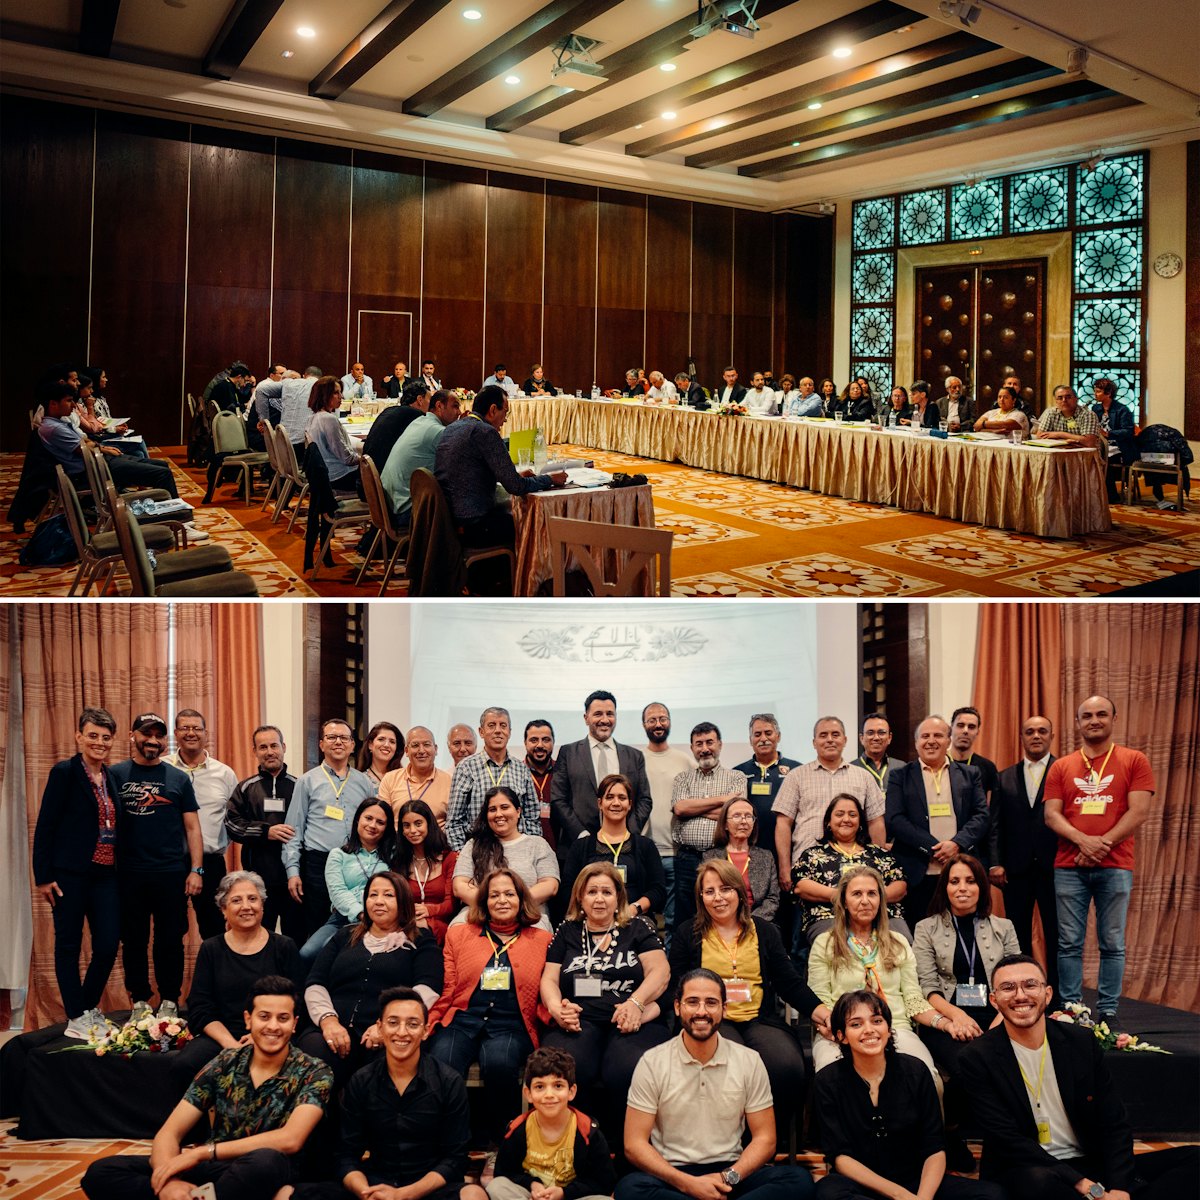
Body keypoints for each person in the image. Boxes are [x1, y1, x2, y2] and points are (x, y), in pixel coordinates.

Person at [958, 955, 1198, 1199]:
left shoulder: (1080, 1042)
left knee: (1194, 1159)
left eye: (1030, 985)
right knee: (1039, 1182)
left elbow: (1113, 1121)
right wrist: (1087, 1187)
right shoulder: (978, 1057)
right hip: (1028, 1167)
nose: (1020, 995)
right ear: (994, 1000)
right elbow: (1008, 1139)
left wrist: (1119, 1189)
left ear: (1048, 994)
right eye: (1008, 988)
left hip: (1089, 1162)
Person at [81, 975, 331, 1200]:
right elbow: (170, 1133)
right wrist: (170, 1182)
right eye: (264, 1016)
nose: (273, 1026)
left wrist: (201, 1153)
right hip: (219, 1170)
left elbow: (291, 1140)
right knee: (102, 1171)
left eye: (283, 1018)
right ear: (248, 1019)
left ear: (295, 1024)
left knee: (265, 1161)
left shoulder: (314, 1070)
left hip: (271, 1170)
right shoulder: (225, 1062)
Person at [617, 968, 815, 1200]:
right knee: (629, 1189)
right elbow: (634, 1144)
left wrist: (725, 1178)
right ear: (678, 1007)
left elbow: (766, 1139)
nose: (702, 1011)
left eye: (711, 1002)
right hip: (673, 1176)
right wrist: (688, 1184)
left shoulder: (748, 1060)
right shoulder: (652, 1062)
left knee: (798, 1180)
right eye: (692, 1002)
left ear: (724, 1008)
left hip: (731, 1174)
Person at [670, 861, 829, 1138]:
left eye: (725, 889)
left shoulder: (765, 931)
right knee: (729, 1064)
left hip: (759, 1018)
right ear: (700, 898)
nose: (718, 898)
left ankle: (769, 1141)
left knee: (786, 1065)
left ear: (740, 893)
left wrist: (822, 1012)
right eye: (709, 892)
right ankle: (728, 1142)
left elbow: (788, 982)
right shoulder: (688, 933)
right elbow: (677, 986)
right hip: (710, 1022)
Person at [814, 990, 1004, 1200]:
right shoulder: (827, 1080)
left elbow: (935, 1147)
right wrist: (900, 1195)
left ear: (888, 1028)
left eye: (877, 1021)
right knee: (828, 1193)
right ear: (841, 1036)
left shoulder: (915, 1070)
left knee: (991, 1195)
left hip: (917, 1182)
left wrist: (923, 1197)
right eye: (856, 1024)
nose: (869, 1030)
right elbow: (840, 1157)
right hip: (861, 1185)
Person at [315, 987, 486, 1200]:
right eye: (393, 1023)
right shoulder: (362, 1080)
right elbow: (346, 1155)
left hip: (427, 1189)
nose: (402, 1032)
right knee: (290, 1193)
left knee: (474, 1194)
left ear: (425, 1031)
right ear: (380, 1027)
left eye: (413, 1024)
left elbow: (455, 1159)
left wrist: (402, 1195)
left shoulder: (448, 1081)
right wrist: (365, 1192)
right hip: (375, 1187)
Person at [1043, 694, 1153, 1023]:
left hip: (1116, 865)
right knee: (1069, 943)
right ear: (1077, 723)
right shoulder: (1061, 766)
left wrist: (1101, 844)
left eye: (1101, 714)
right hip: (1068, 866)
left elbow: (1140, 811)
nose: (1094, 720)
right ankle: (1072, 1009)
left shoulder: (1134, 760)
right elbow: (1051, 815)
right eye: (1087, 715)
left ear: (1113, 719)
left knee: (1113, 942)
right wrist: (1083, 842)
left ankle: (1108, 1010)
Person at [541, 863, 672, 1136]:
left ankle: (628, 1147)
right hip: (579, 1020)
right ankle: (579, 1144)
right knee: (565, 1066)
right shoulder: (568, 930)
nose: (599, 899)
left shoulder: (637, 927)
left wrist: (636, 1004)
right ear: (580, 897)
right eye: (591, 892)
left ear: (618, 898)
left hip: (633, 1020)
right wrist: (555, 1008)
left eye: (606, 892)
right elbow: (549, 979)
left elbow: (660, 971)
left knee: (626, 1069)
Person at [430, 869, 553, 1143]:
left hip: (512, 1023)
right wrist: (434, 1020)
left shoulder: (542, 940)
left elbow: (548, 990)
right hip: (463, 1019)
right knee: (442, 1060)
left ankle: (502, 1141)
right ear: (484, 901)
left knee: (499, 1062)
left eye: (509, 894)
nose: (502, 900)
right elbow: (449, 987)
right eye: (494, 895)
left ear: (522, 900)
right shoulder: (459, 935)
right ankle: (450, 1142)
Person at [300, 871, 443, 1087]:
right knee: (316, 1056)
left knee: (382, 1071)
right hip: (334, 1027)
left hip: (389, 1032)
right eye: (372, 895)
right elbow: (315, 981)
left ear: (403, 901)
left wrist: (388, 1025)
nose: (378, 902)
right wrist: (328, 1020)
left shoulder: (420, 940)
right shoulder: (344, 936)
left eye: (388, 895)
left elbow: (428, 987)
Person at [32, 706, 121, 1041]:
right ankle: (76, 1015)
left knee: (109, 943)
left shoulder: (111, 777)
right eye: (93, 735)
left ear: (112, 741)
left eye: (105, 737)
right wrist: (43, 875)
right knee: (68, 945)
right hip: (69, 874)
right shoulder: (65, 772)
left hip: (105, 875)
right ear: (79, 736)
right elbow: (46, 825)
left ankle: (83, 1009)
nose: (99, 742)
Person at [807, 866, 941, 1083]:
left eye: (872, 893)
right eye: (857, 894)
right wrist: (841, 1030)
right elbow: (819, 999)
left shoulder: (899, 942)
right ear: (843, 901)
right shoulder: (826, 943)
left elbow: (914, 1000)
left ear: (881, 900)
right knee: (834, 1082)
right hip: (841, 1032)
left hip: (895, 1028)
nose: (865, 900)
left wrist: (945, 1022)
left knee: (930, 1082)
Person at [110, 712, 203, 1021]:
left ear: (166, 740)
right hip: (127, 874)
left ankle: (169, 1000)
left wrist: (196, 869)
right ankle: (138, 1000)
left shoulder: (178, 778)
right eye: (145, 733)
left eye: (159, 735)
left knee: (170, 940)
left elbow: (192, 828)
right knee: (133, 939)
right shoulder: (115, 775)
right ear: (132, 735)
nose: (152, 740)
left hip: (171, 874)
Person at [173, 871, 303, 1083]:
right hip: (222, 1033)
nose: (246, 906)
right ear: (224, 910)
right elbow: (200, 1006)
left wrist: (261, 1035)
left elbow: (298, 1001)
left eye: (253, 899)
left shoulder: (284, 946)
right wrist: (230, 1044)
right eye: (236, 900)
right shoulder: (211, 948)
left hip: (274, 1032)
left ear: (262, 905)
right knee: (184, 1065)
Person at [885, 716, 989, 928]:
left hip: (960, 870)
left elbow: (981, 815)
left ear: (948, 741)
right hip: (917, 871)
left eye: (938, 735)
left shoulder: (969, 774)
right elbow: (895, 819)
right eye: (925, 736)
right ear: (916, 743)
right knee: (920, 932)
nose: (931, 741)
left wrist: (956, 844)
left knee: (964, 931)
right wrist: (932, 847)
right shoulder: (900, 776)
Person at [434, 386, 565, 548]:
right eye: (505, 412)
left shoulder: (453, 427)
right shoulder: (485, 432)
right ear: (493, 410)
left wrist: (513, 475)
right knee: (529, 522)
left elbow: (471, 469)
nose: (505, 420)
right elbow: (515, 486)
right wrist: (550, 479)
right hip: (473, 524)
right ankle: (534, 572)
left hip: (448, 519)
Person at [773, 717, 886, 901]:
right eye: (823, 735)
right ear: (814, 742)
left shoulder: (863, 777)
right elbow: (783, 823)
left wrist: (879, 865)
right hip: (807, 870)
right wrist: (785, 867)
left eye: (835, 734)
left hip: (856, 868)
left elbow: (876, 822)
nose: (830, 739)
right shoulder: (796, 777)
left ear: (845, 740)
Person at [282, 718, 375, 940]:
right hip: (317, 863)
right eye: (332, 737)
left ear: (353, 745)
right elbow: (293, 830)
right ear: (322, 744)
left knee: (355, 924)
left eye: (344, 738)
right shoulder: (306, 781)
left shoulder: (364, 783)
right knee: (318, 926)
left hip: (354, 861)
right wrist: (292, 871)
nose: (338, 742)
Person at [988, 715, 1059, 993]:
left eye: (1042, 731)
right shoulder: (1004, 777)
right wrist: (995, 863)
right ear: (1022, 737)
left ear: (1051, 736)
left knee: (1056, 933)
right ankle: (1024, 988)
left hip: (1055, 867)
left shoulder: (1063, 771)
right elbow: (995, 824)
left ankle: (1056, 993)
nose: (1036, 736)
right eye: (1030, 732)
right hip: (1014, 869)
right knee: (1016, 934)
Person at [489, 1046, 616, 1200]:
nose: (549, 1095)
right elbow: (504, 1173)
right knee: (497, 1186)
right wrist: (532, 1184)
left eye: (558, 1086)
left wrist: (564, 1193)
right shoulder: (518, 1128)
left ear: (571, 1092)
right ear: (528, 1094)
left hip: (570, 1197)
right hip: (531, 1196)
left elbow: (604, 1182)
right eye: (540, 1087)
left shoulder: (587, 1131)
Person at [793, 795, 907, 946]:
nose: (846, 819)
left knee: (902, 943)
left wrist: (869, 900)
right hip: (829, 916)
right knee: (834, 947)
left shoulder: (879, 854)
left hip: (882, 916)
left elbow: (900, 887)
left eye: (852, 815)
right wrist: (845, 897)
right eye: (839, 814)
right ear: (828, 822)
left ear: (860, 822)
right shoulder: (812, 855)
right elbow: (802, 887)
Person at [164, 708, 238, 940]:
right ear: (176, 733)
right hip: (170, 862)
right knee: (171, 930)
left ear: (206, 733)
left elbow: (235, 818)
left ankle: (215, 977)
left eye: (196, 728)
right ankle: (171, 979)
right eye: (185, 728)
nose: (191, 733)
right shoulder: (163, 769)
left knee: (214, 928)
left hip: (210, 863)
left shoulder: (224, 773)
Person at [225, 724, 303, 940]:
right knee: (259, 937)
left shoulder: (301, 785)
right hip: (257, 880)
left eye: (274, 745)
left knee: (295, 939)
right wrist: (265, 831)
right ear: (255, 752)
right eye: (263, 747)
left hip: (294, 880)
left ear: (283, 747)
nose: (269, 752)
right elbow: (231, 824)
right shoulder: (245, 788)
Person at [550, 689, 653, 850]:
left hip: (625, 845)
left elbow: (644, 800)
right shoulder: (568, 753)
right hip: (579, 845)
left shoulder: (634, 756)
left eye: (610, 714)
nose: (605, 720)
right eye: (598, 714)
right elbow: (558, 799)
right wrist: (580, 833)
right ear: (586, 718)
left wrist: (629, 831)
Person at [300, 796, 397, 962]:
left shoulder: (393, 856)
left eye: (380, 822)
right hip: (342, 918)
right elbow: (337, 891)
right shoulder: (338, 855)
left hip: (382, 919)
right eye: (368, 818)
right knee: (308, 953)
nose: (373, 825)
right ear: (358, 819)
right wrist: (360, 913)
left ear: (386, 828)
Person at [670, 722, 748, 929]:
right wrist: (723, 800)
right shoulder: (682, 778)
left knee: (720, 911)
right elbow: (680, 809)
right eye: (699, 744)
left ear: (720, 744)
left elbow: (736, 814)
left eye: (709, 742)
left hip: (721, 856)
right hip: (687, 858)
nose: (705, 748)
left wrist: (694, 808)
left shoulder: (736, 777)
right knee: (685, 917)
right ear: (692, 748)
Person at [564, 774, 667, 920]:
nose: (616, 803)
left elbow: (658, 891)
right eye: (610, 797)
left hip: (635, 919)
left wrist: (633, 909)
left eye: (622, 798)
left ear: (630, 804)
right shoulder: (580, 847)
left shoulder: (646, 846)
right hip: (590, 920)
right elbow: (568, 890)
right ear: (600, 803)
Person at [454, 786, 559, 928]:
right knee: (457, 929)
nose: (498, 814)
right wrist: (493, 906)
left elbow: (550, 886)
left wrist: (513, 904)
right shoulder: (473, 845)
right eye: (492, 810)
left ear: (518, 811)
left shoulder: (537, 844)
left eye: (504, 807)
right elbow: (460, 886)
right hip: (481, 913)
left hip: (528, 914)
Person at [447, 707, 544, 849]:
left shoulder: (521, 768)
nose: (498, 731)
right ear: (481, 732)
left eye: (503, 725)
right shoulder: (466, 768)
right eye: (491, 725)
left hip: (517, 849)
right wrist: (463, 855)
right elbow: (454, 822)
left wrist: (530, 851)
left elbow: (532, 818)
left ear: (509, 732)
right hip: (479, 849)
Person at [640, 702, 694, 944]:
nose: (658, 724)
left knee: (674, 920)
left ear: (670, 722)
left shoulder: (685, 761)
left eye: (663, 718)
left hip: (676, 852)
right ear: (644, 725)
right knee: (642, 919)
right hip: (644, 852)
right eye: (652, 719)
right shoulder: (636, 759)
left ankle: (672, 974)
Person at [379, 387, 462, 521]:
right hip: (405, 509)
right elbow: (461, 465)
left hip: (389, 502)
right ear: (439, 406)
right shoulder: (437, 431)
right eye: (455, 407)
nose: (460, 412)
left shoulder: (419, 421)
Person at [732, 712, 800, 874]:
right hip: (750, 849)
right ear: (750, 740)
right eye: (757, 734)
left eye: (768, 733)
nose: (763, 738)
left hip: (788, 850)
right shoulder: (738, 773)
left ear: (778, 736)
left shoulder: (797, 770)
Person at [701, 797, 780, 923]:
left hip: (758, 923)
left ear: (754, 823)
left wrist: (751, 922)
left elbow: (772, 898)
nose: (744, 821)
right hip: (720, 922)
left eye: (749, 816)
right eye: (737, 816)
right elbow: (707, 898)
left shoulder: (766, 857)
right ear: (725, 824)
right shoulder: (710, 857)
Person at [395, 797, 459, 944]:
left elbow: (451, 905)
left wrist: (428, 910)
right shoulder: (399, 862)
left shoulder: (450, 858)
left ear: (429, 824)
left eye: (418, 824)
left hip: (442, 924)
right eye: (406, 825)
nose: (412, 831)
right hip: (408, 923)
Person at [380, 724, 454, 827]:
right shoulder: (390, 779)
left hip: (436, 842)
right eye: (415, 745)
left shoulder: (450, 781)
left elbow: (454, 823)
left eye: (427, 745)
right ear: (406, 751)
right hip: (398, 841)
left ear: (435, 749)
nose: (421, 751)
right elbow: (383, 819)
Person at [305, 375, 361, 491]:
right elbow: (347, 459)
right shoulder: (329, 419)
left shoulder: (313, 418)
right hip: (340, 476)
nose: (341, 397)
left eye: (340, 392)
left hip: (326, 474)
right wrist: (368, 458)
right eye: (336, 393)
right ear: (323, 395)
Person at [1091, 377, 1137, 502]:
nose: (1095, 394)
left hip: (1120, 447)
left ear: (1108, 393)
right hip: (1101, 444)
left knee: (1104, 457)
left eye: (1098, 391)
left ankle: (1111, 495)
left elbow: (1128, 431)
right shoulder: (1096, 409)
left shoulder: (1122, 410)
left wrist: (1108, 434)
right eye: (1095, 391)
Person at [948, 706, 998, 808]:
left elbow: (990, 808)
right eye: (960, 725)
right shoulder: (937, 763)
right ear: (951, 728)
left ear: (977, 732)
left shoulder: (988, 767)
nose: (965, 731)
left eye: (971, 727)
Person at [523, 719, 557, 846]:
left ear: (553, 743)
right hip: (526, 850)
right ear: (525, 743)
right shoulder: (516, 774)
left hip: (560, 850)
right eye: (533, 740)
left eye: (546, 740)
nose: (540, 745)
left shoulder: (563, 773)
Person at [851, 713, 905, 792]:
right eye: (870, 733)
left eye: (881, 733)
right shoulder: (851, 770)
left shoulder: (901, 768)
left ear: (889, 738)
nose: (876, 737)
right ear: (861, 738)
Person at [1034, 384, 1101, 447]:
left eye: (1068, 397)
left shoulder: (1088, 415)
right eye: (1060, 398)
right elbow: (1040, 436)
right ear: (1056, 401)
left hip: (1083, 456)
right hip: (1058, 453)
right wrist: (1070, 440)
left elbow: (1089, 442)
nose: (1064, 400)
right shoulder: (1051, 413)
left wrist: (1060, 434)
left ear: (1076, 399)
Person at [357, 720, 405, 787]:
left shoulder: (404, 779)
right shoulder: (359, 780)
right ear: (370, 745)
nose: (386, 745)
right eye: (381, 739)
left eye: (392, 742)